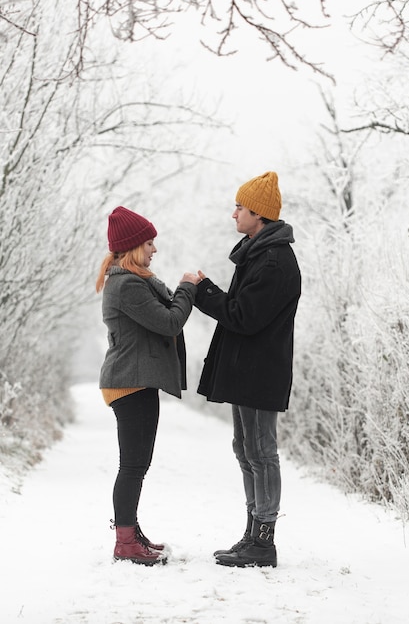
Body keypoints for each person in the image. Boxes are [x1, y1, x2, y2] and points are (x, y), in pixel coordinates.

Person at [194, 171, 301, 568]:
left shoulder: (273, 261)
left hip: (260, 372)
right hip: (248, 371)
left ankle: (264, 541)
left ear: (259, 213)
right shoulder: (258, 253)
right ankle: (252, 534)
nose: (233, 213)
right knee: (245, 450)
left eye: (240, 206)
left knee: (261, 451)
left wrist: (205, 291)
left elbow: (244, 317)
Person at [96, 205, 200, 565]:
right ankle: (125, 542)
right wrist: (187, 286)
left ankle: (131, 533)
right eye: (150, 243)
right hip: (130, 382)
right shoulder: (126, 286)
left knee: (137, 463)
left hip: (135, 381)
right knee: (133, 465)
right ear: (133, 246)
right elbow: (170, 322)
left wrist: (183, 290)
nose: (155, 249)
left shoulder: (133, 282)